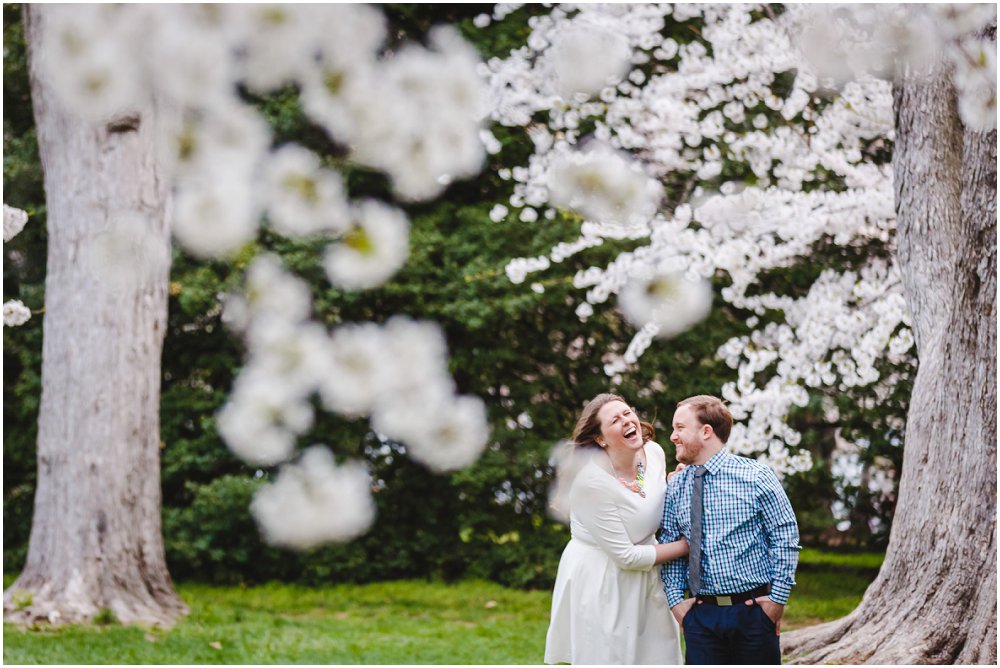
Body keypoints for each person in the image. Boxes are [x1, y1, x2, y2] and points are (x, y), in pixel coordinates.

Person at [544, 393, 687, 665]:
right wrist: (688, 546)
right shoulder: (591, 483)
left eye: (627, 413)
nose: (627, 421)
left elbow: (649, 504)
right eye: (615, 420)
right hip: (604, 580)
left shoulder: (654, 453)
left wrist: (675, 483)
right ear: (600, 438)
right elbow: (626, 556)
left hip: (649, 578)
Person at [660, 395, 801, 665]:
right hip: (700, 617)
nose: (673, 436)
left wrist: (776, 602)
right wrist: (678, 604)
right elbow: (671, 544)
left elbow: (785, 537)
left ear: (706, 431)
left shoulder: (756, 476)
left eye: (679, 428)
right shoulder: (677, 486)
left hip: (753, 613)